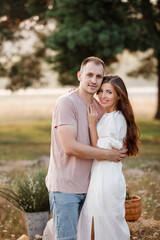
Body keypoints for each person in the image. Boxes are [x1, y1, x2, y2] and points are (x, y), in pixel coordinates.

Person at [45, 57, 128, 240]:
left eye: (99, 76)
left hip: (91, 188)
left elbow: (112, 130)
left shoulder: (100, 108)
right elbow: (70, 147)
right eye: (89, 75)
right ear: (79, 76)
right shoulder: (66, 103)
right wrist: (108, 154)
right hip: (66, 188)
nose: (93, 80)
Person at [77, 75, 140, 240]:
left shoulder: (116, 118)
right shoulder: (107, 115)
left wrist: (91, 124)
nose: (103, 95)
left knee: (106, 224)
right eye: (101, 91)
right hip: (100, 176)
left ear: (118, 96)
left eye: (109, 92)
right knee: (95, 220)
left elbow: (98, 153)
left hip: (107, 179)